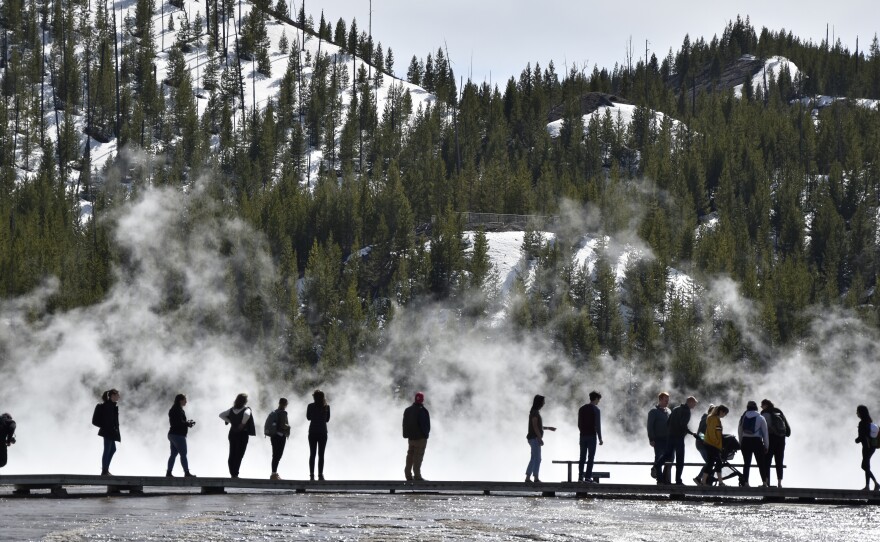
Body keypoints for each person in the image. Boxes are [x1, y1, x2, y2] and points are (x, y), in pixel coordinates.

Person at [652, 395, 698, 485]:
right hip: (678, 438)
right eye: (694, 404)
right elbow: (683, 424)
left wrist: (670, 433)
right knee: (680, 460)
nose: (694, 406)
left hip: (670, 437)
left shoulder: (676, 409)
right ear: (690, 402)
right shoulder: (687, 411)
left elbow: (668, 423)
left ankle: (657, 466)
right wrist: (691, 433)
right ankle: (678, 481)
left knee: (667, 455)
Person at [219, 393, 255, 478]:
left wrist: (231, 422)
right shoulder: (246, 409)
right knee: (239, 454)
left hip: (232, 433)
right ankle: (235, 474)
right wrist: (242, 424)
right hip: (242, 434)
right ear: (245, 401)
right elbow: (247, 414)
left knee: (232, 453)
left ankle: (232, 473)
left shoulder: (232, 410)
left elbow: (221, 415)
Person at [524, 394, 556, 483]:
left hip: (533, 438)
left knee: (534, 458)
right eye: (543, 402)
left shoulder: (535, 412)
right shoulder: (535, 412)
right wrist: (539, 438)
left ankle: (528, 477)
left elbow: (538, 426)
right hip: (534, 438)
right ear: (539, 402)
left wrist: (549, 428)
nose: (544, 404)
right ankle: (536, 478)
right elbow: (535, 426)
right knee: (538, 458)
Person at [737, 400, 769, 487]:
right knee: (761, 463)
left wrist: (740, 442)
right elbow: (765, 433)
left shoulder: (743, 417)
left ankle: (746, 482)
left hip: (745, 441)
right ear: (756, 408)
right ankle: (764, 483)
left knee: (746, 463)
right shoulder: (760, 417)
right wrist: (766, 446)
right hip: (757, 441)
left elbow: (740, 431)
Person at [760, 399, 790, 488]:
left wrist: (763, 441)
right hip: (781, 439)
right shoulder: (778, 411)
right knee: (779, 461)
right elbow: (787, 426)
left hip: (771, 438)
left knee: (767, 461)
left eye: (762, 405)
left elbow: (764, 429)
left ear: (765, 405)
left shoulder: (764, 413)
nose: (761, 407)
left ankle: (766, 483)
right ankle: (779, 483)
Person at [696, 404, 729, 486]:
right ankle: (719, 482)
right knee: (717, 462)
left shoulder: (714, 419)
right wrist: (717, 444)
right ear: (721, 411)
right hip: (712, 445)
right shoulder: (714, 419)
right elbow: (712, 433)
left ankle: (703, 481)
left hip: (710, 444)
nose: (725, 415)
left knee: (711, 463)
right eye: (725, 413)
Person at [402, 391, 431, 481]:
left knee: (410, 456)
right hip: (420, 438)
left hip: (411, 439)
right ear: (422, 400)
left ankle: (408, 475)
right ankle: (417, 476)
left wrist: (406, 435)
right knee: (418, 457)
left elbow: (404, 424)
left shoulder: (408, 410)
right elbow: (425, 425)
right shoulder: (422, 410)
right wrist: (425, 435)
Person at [167, 394, 196, 477]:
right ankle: (186, 473)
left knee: (173, 454)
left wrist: (187, 423)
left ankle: (168, 473)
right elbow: (178, 422)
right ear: (180, 400)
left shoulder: (175, 409)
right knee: (183, 454)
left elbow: (178, 422)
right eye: (185, 400)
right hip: (178, 435)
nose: (186, 401)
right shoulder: (177, 410)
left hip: (172, 434)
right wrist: (187, 423)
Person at [92, 389, 121, 476]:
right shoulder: (107, 406)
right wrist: (106, 428)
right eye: (117, 395)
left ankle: (106, 470)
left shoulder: (112, 405)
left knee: (112, 449)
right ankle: (104, 471)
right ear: (112, 396)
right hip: (108, 432)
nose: (119, 397)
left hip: (111, 432)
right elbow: (103, 421)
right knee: (107, 450)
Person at [578, 391, 604, 482]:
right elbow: (598, 425)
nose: (599, 402)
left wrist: (582, 432)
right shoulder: (596, 410)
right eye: (599, 400)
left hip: (582, 436)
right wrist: (600, 438)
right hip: (592, 436)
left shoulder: (581, 409)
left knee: (582, 457)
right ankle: (588, 477)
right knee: (590, 458)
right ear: (596, 398)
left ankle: (580, 477)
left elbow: (579, 424)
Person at [306, 390, 330, 481]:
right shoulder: (326, 407)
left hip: (312, 431)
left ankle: (312, 475)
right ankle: (320, 475)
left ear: (314, 397)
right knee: (321, 454)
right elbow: (327, 420)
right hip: (323, 432)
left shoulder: (310, 406)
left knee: (312, 454)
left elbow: (308, 418)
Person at [646, 392, 670, 480]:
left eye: (668, 401)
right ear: (660, 400)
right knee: (658, 457)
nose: (667, 402)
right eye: (665, 400)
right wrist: (651, 438)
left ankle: (665, 477)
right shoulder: (653, 411)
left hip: (667, 439)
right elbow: (650, 426)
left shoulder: (668, 411)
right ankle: (659, 479)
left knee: (668, 458)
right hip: (658, 439)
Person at [855, 404, 879, 491]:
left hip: (866, 447)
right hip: (872, 447)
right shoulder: (869, 422)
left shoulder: (862, 423)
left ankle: (872, 485)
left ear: (861, 413)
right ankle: (871, 485)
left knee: (865, 466)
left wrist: (856, 440)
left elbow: (861, 437)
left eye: (857, 411)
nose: (856, 413)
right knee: (866, 466)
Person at [267, 398, 290, 480]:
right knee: (278, 456)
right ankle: (273, 474)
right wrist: (289, 426)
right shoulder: (283, 413)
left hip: (273, 436)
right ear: (286, 404)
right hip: (280, 437)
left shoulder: (275, 411)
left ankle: (274, 473)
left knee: (275, 455)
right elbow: (283, 425)